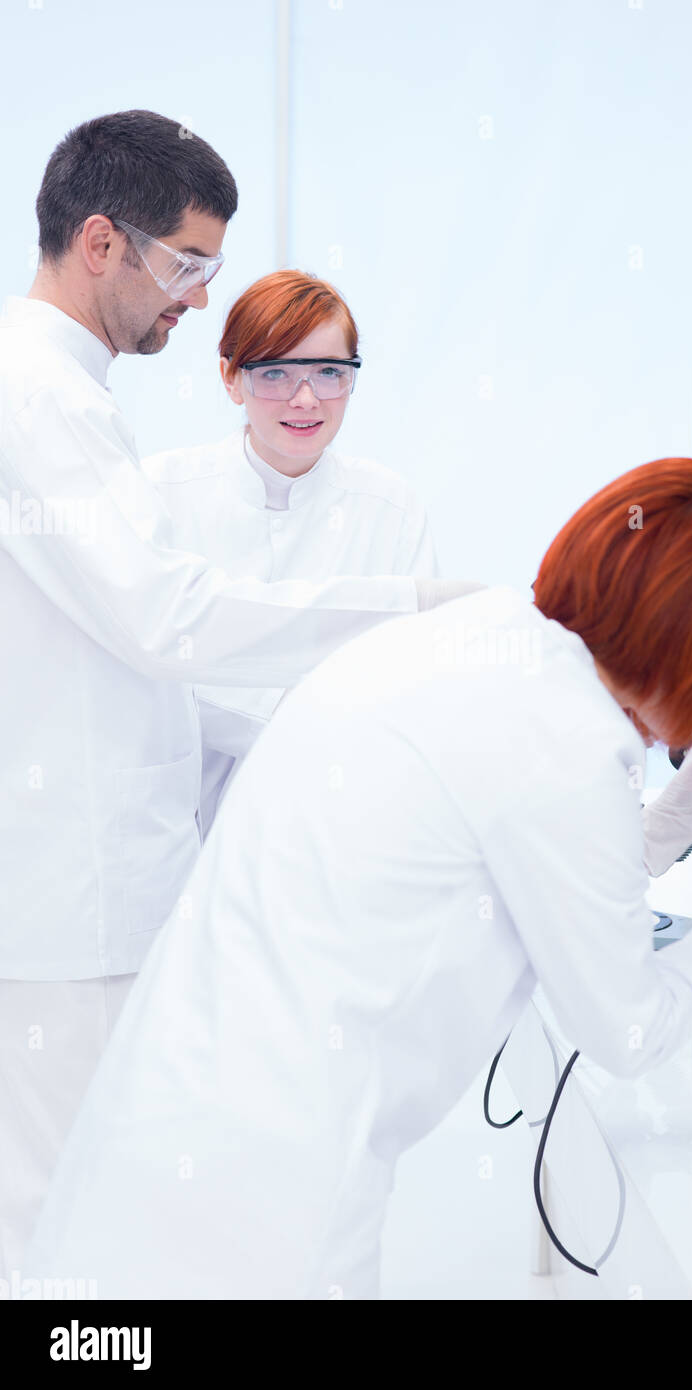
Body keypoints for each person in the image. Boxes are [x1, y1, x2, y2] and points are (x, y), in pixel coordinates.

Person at [26, 458, 692, 1299]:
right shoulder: (563, 739)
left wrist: (671, 821)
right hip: (267, 1204)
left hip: (155, 1139)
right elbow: (630, 1031)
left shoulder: (478, 641)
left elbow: (494, 877)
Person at [0, 110, 465, 1279]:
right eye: (188, 264)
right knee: (61, 1218)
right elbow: (168, 616)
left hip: (122, 887)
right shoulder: (43, 400)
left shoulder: (66, 391)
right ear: (102, 242)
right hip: (77, 900)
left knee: (95, 1209)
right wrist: (404, 603)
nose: (199, 295)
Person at [142, 270, 437, 835]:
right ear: (231, 377)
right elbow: (155, 679)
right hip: (184, 832)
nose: (306, 399)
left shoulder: (390, 507)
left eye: (329, 372)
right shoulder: (160, 492)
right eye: (275, 371)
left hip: (343, 828)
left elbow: (411, 686)